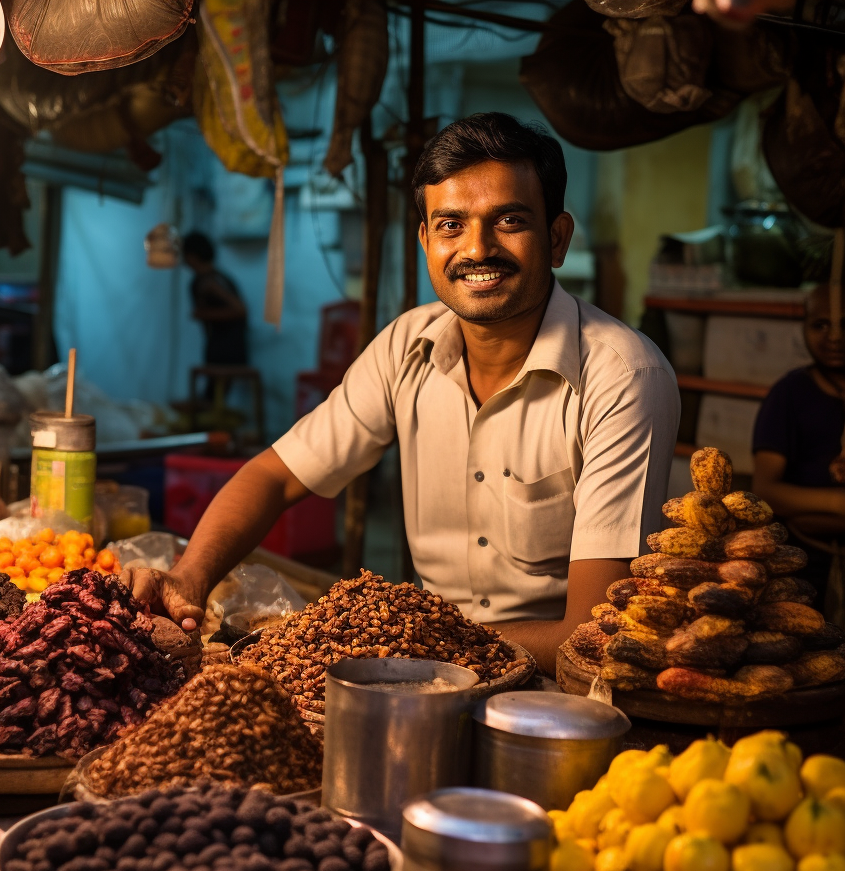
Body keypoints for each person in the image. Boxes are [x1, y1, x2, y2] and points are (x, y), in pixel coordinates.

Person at [126, 113, 680, 675]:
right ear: (425, 241)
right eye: (451, 225)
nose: (477, 249)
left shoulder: (622, 376)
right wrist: (188, 577)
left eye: (509, 221)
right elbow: (276, 475)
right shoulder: (405, 346)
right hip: (418, 674)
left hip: (549, 698)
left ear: (557, 238)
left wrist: (406, 645)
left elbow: (591, 632)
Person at [752, 283, 845, 607]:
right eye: (820, 325)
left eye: (844, 324)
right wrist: (836, 503)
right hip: (805, 565)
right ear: (803, 328)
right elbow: (766, 490)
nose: (834, 337)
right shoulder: (790, 394)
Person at [182, 231, 248, 368]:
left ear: (193, 255)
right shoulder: (199, 281)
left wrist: (203, 313)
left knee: (216, 387)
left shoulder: (215, 280)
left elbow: (240, 310)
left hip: (228, 349)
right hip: (216, 347)